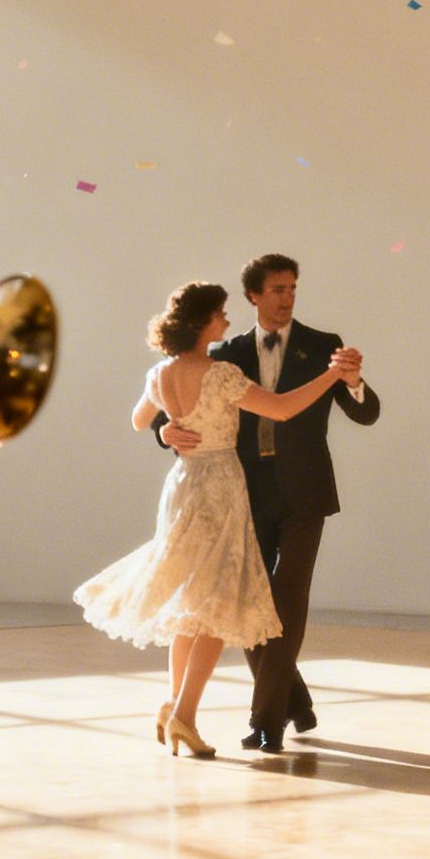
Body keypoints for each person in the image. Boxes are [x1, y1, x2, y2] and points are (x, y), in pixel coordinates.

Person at [76, 282, 359, 757]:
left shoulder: (160, 373)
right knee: (212, 605)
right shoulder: (220, 374)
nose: (226, 322)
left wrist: (167, 429)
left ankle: (172, 707)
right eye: (220, 315)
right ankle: (184, 716)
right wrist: (332, 377)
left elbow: (137, 419)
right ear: (201, 322)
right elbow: (283, 408)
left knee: (192, 600)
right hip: (219, 486)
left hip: (183, 484)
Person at [161, 254, 380, 753]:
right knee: (248, 604)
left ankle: (267, 721)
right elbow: (174, 406)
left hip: (306, 493)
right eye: (277, 289)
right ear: (253, 297)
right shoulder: (225, 354)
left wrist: (350, 380)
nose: (287, 298)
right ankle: (294, 699)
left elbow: (366, 412)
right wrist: (165, 432)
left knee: (287, 602)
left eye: (293, 288)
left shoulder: (324, 346)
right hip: (243, 493)